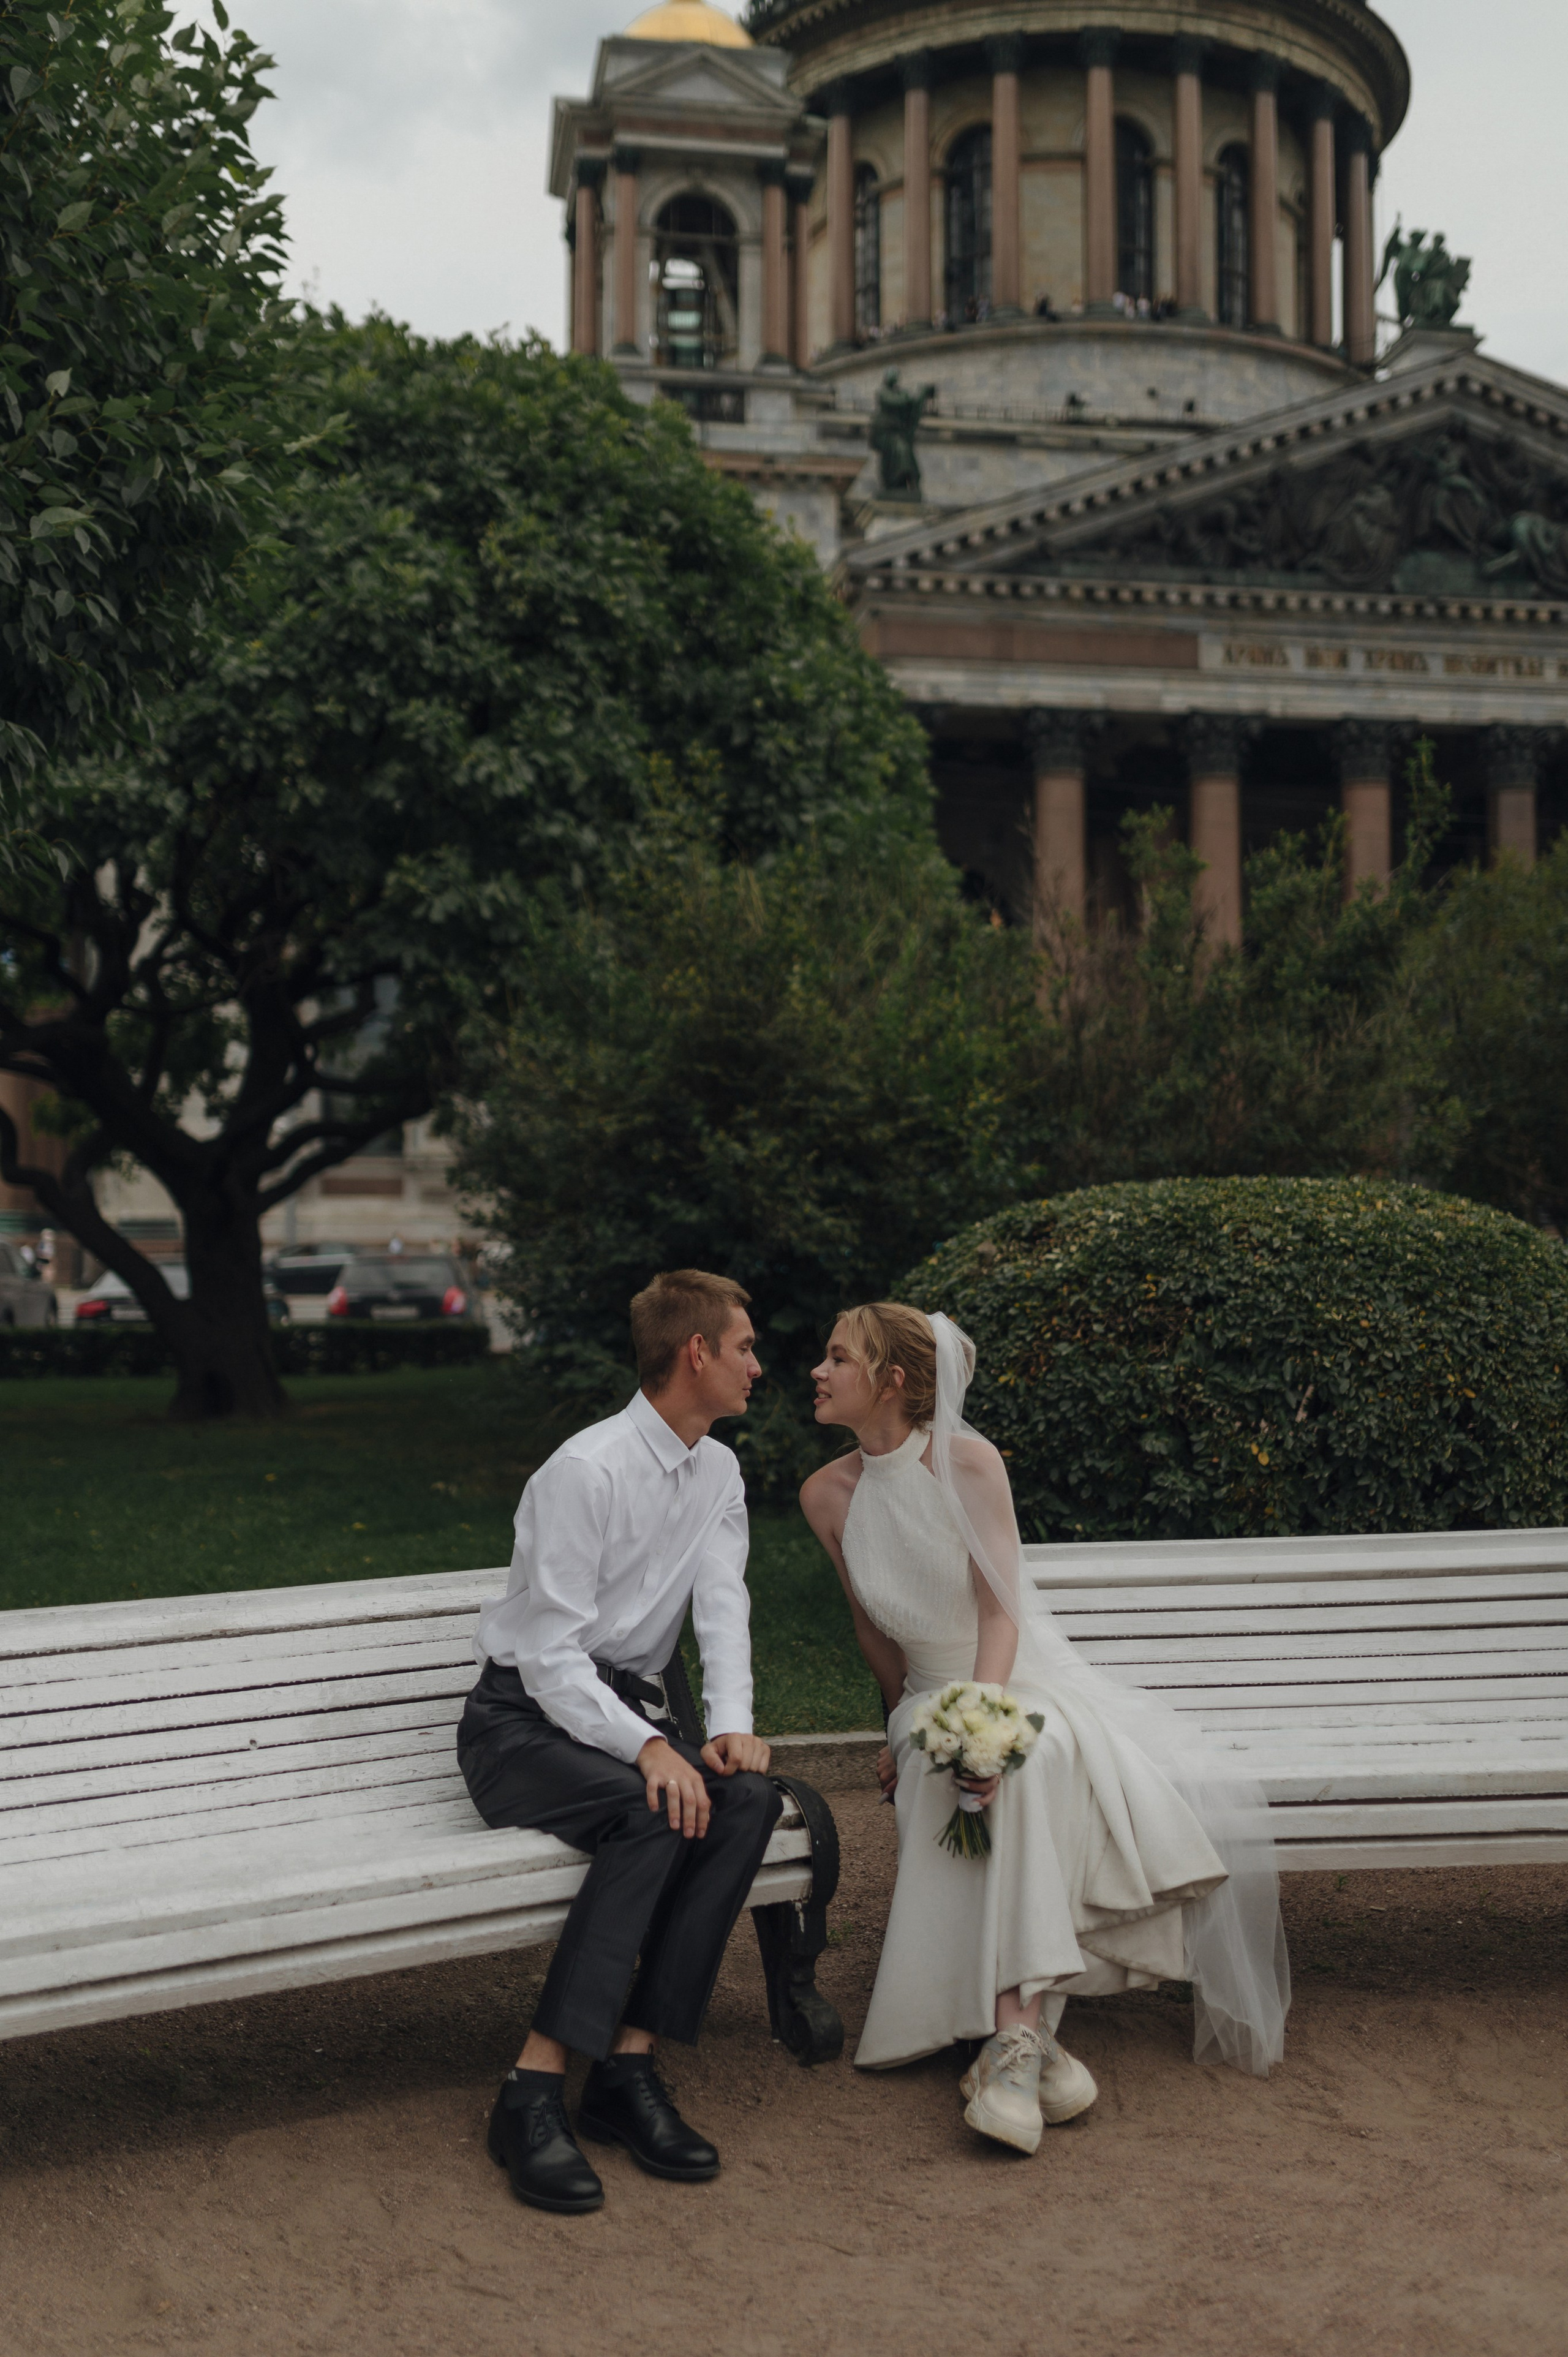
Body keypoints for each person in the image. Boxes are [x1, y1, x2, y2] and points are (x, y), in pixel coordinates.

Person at [800, 1303, 1289, 2157]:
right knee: (940, 1761)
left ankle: (1012, 2037)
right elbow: (871, 1630)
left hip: (1015, 1680)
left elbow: (1001, 1614)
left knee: (1026, 1762)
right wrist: (898, 1727)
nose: (818, 1370)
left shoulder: (969, 1464)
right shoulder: (824, 1495)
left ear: (893, 1381)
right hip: (925, 1695)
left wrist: (984, 1724)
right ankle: (1029, 2046)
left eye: (838, 1358)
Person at [458, 1270, 783, 2215]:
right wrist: (647, 1748)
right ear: (696, 1353)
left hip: (621, 1721)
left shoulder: (718, 1473)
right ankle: (531, 2090)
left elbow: (722, 1610)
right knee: (653, 1811)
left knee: (748, 1802)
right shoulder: (585, 1471)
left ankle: (627, 2069)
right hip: (520, 1726)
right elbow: (550, 1659)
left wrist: (729, 1727)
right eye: (745, 1347)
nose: (758, 1366)